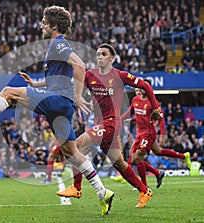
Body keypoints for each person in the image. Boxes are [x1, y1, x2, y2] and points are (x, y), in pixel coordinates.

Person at [0, 5, 113, 216]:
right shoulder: (55, 46)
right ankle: (102, 192)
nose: (41, 26)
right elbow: (56, 79)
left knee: (8, 92)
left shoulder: (58, 43)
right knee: (71, 152)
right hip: (60, 103)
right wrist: (35, 85)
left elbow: (79, 66)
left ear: (53, 26)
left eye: (44, 22)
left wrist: (78, 95)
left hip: (59, 100)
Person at [56, 43, 162, 208]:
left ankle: (77, 188)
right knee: (119, 163)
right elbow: (77, 92)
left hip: (111, 123)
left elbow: (145, 86)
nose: (100, 57)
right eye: (98, 54)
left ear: (112, 58)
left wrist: (155, 108)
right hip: (100, 124)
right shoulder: (90, 75)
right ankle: (144, 190)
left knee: (76, 147)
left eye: (104, 54)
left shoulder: (120, 76)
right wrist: (76, 102)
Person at [118, 80, 191, 188]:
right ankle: (182, 157)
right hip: (140, 133)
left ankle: (142, 185)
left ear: (148, 88)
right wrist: (119, 119)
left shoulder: (153, 103)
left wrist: (162, 134)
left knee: (136, 158)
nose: (140, 89)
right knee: (158, 152)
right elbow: (131, 112)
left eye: (143, 87)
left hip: (149, 133)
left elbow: (161, 120)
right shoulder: (135, 100)